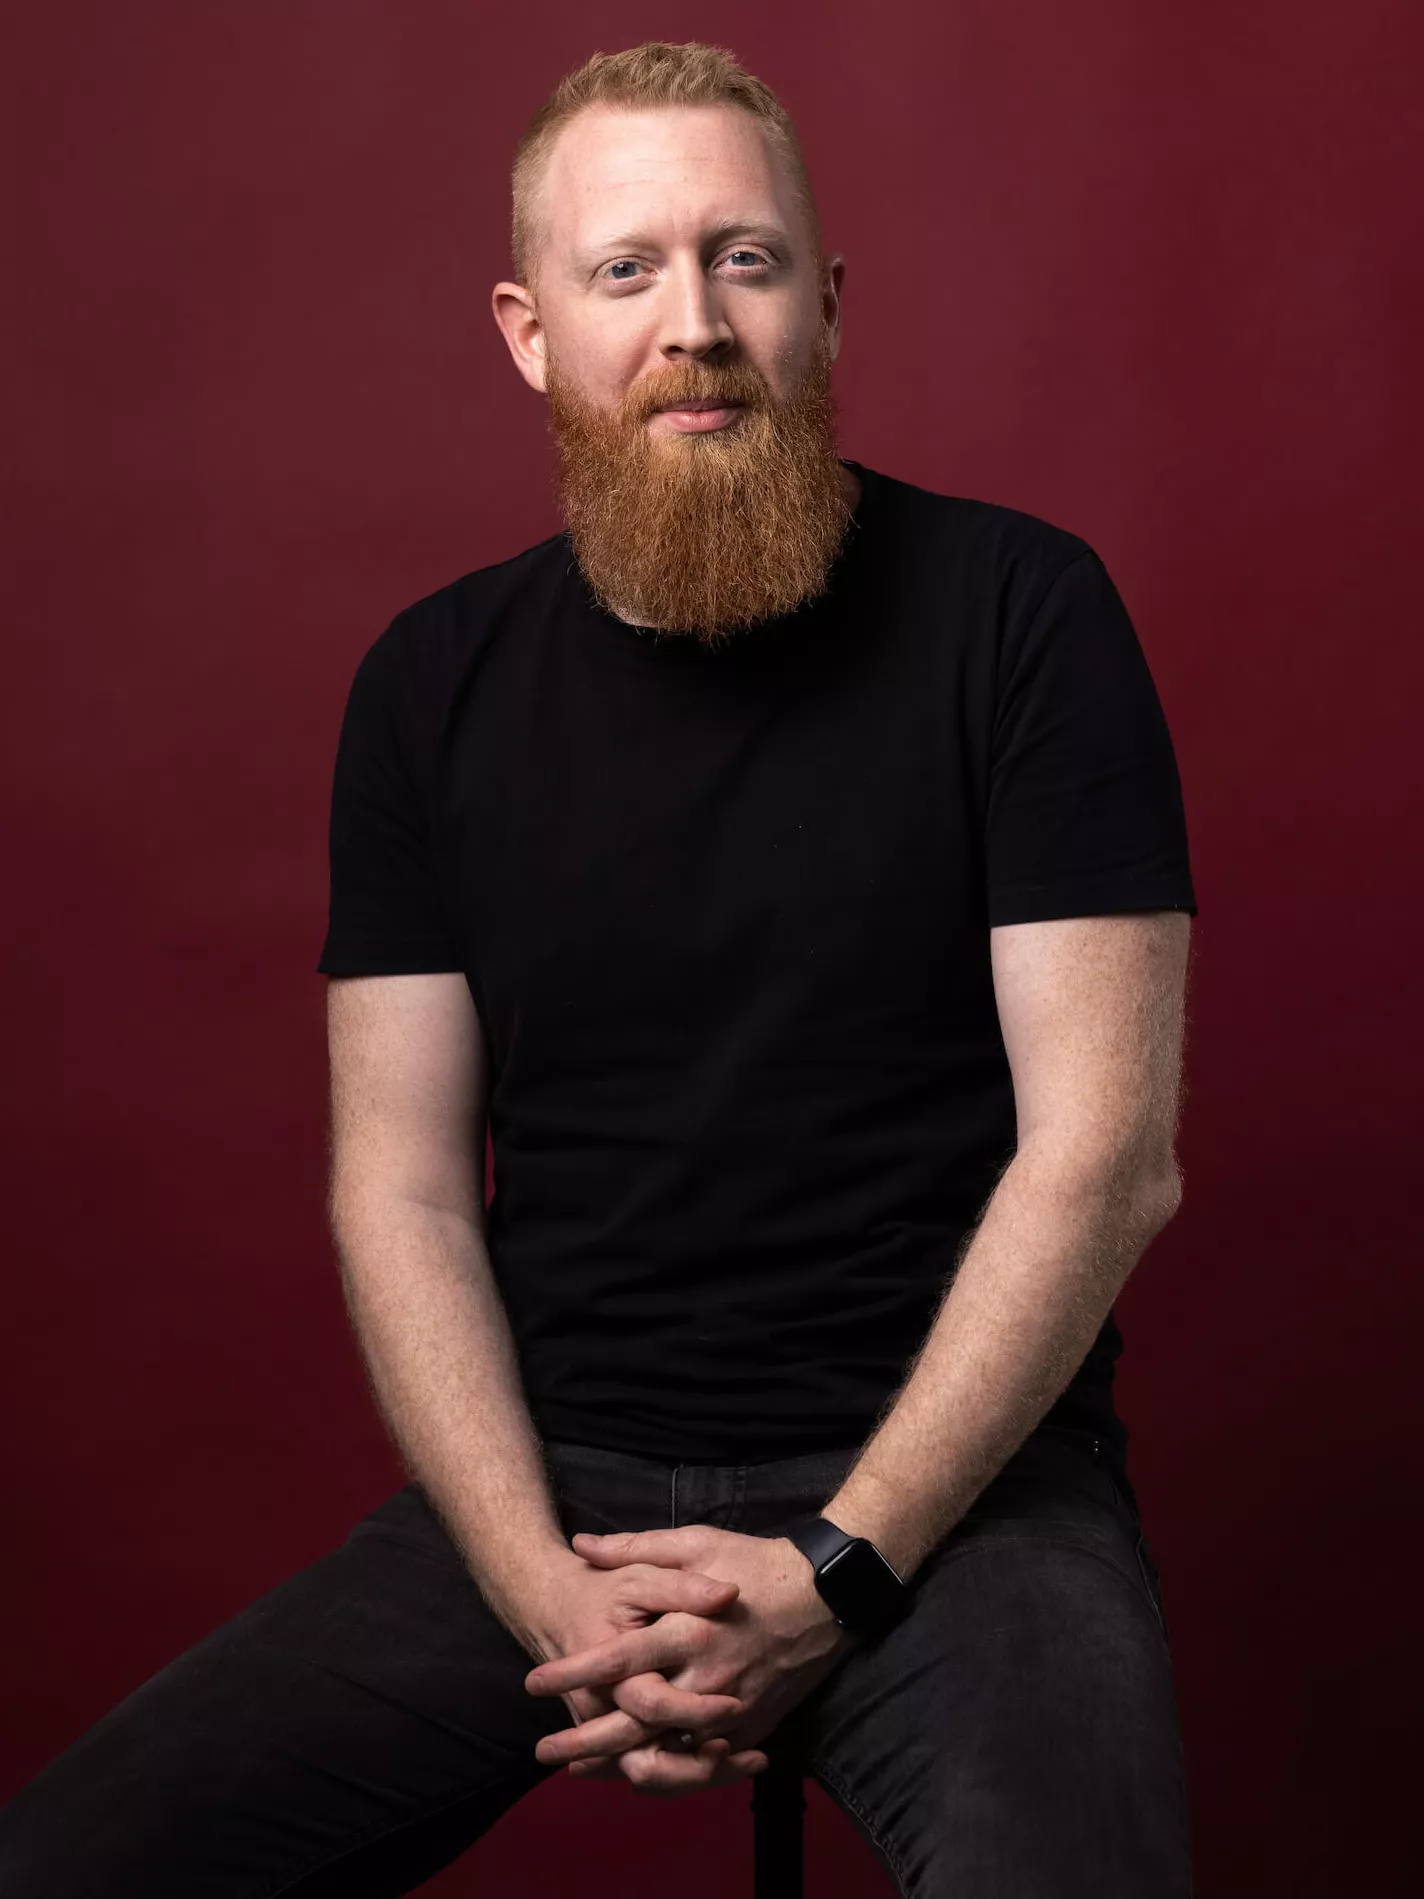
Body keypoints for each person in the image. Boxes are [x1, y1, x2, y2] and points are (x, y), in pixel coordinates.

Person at [0, 39, 1197, 1899]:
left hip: (960, 1496)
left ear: (824, 303)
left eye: (746, 258)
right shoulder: (429, 686)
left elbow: (1105, 1155)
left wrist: (840, 1563)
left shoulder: (1023, 614)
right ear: (530, 331)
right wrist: (543, 1592)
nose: (694, 322)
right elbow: (400, 1187)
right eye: (624, 268)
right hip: (556, 1493)